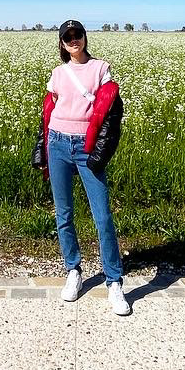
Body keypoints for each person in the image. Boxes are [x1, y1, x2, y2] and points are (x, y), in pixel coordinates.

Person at [31, 19, 129, 316]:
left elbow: (111, 112)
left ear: (85, 38)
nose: (74, 40)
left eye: (78, 35)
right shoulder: (58, 73)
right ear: (62, 43)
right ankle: (73, 270)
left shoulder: (101, 69)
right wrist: (41, 147)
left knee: (103, 216)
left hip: (87, 147)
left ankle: (114, 281)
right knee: (64, 214)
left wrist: (101, 152)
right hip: (58, 143)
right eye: (68, 37)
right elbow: (48, 112)